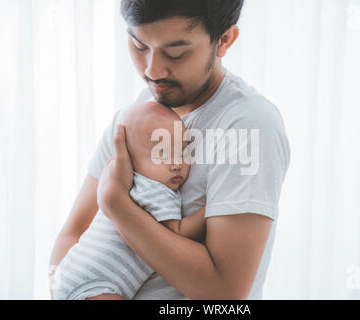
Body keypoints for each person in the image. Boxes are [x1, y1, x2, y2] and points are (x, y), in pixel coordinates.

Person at [50, 0, 290, 300]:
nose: (152, 70)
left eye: (176, 53)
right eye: (138, 45)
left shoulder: (247, 126)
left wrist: (117, 206)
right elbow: (72, 234)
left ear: (224, 40)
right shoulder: (138, 116)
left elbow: (225, 294)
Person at [51, 102, 206, 300]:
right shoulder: (153, 190)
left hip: (71, 270)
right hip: (98, 283)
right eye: (162, 154)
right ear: (132, 159)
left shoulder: (128, 183)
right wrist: (210, 212)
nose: (176, 164)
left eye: (182, 153)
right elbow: (180, 231)